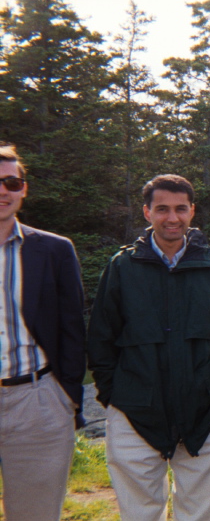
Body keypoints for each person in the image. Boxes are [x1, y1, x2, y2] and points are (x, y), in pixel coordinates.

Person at [87, 174, 210, 521]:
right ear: (147, 212)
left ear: (192, 211)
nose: (172, 218)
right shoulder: (122, 268)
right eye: (162, 209)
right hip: (134, 414)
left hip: (204, 414)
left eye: (180, 209)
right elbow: (101, 339)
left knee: (201, 514)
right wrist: (114, 396)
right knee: (140, 513)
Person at [0, 145, 86, 521]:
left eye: (11, 182)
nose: (3, 191)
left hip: (36, 403)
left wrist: (66, 397)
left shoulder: (53, 250)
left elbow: (72, 330)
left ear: (23, 189)